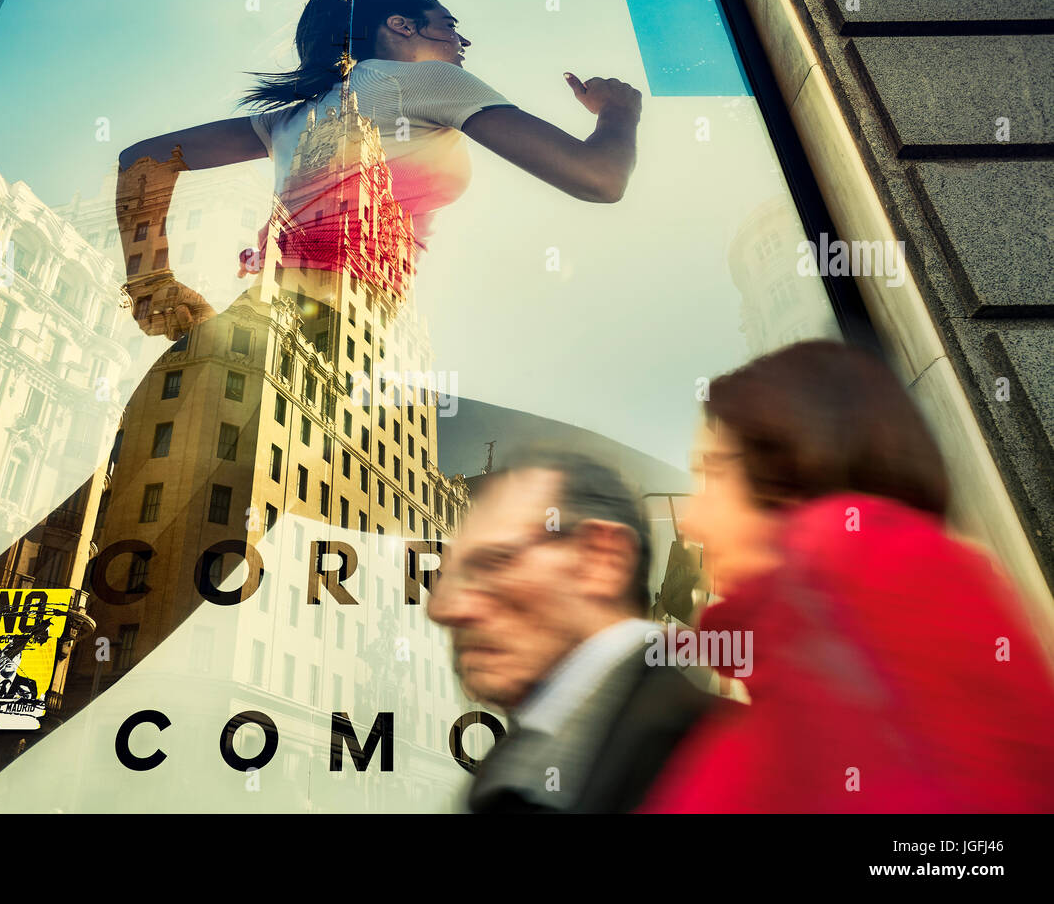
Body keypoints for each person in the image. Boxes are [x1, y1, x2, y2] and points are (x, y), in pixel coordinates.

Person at [640, 339, 1054, 813]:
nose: (693, 523)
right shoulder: (933, 633)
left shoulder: (829, 684)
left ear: (793, 477)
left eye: (714, 473)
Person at [116, 0, 643, 339]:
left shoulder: (298, 112)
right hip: (334, 329)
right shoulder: (426, 80)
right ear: (402, 25)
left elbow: (145, 158)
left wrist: (150, 284)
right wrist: (619, 111)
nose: (463, 41)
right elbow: (599, 179)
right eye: (449, 25)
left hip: (267, 325)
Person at [426, 444, 717, 813]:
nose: (443, 608)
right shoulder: (516, 758)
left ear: (600, 559)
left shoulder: (717, 752)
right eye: (452, 576)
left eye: (494, 562)